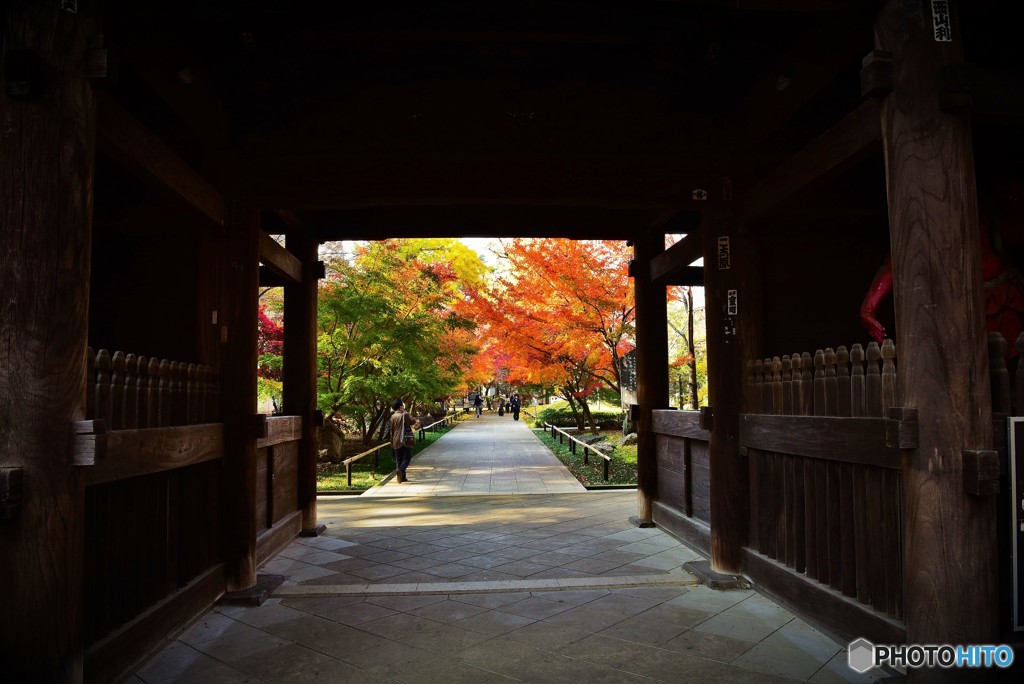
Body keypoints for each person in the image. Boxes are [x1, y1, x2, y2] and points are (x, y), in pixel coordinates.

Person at [389, 398, 419, 483]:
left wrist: (391, 441)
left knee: (399, 459)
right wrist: (406, 412)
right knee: (407, 458)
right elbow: (413, 421)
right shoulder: (405, 414)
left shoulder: (393, 416)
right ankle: (401, 470)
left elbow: (391, 430)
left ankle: (402, 478)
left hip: (395, 440)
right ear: (401, 406)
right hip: (405, 439)